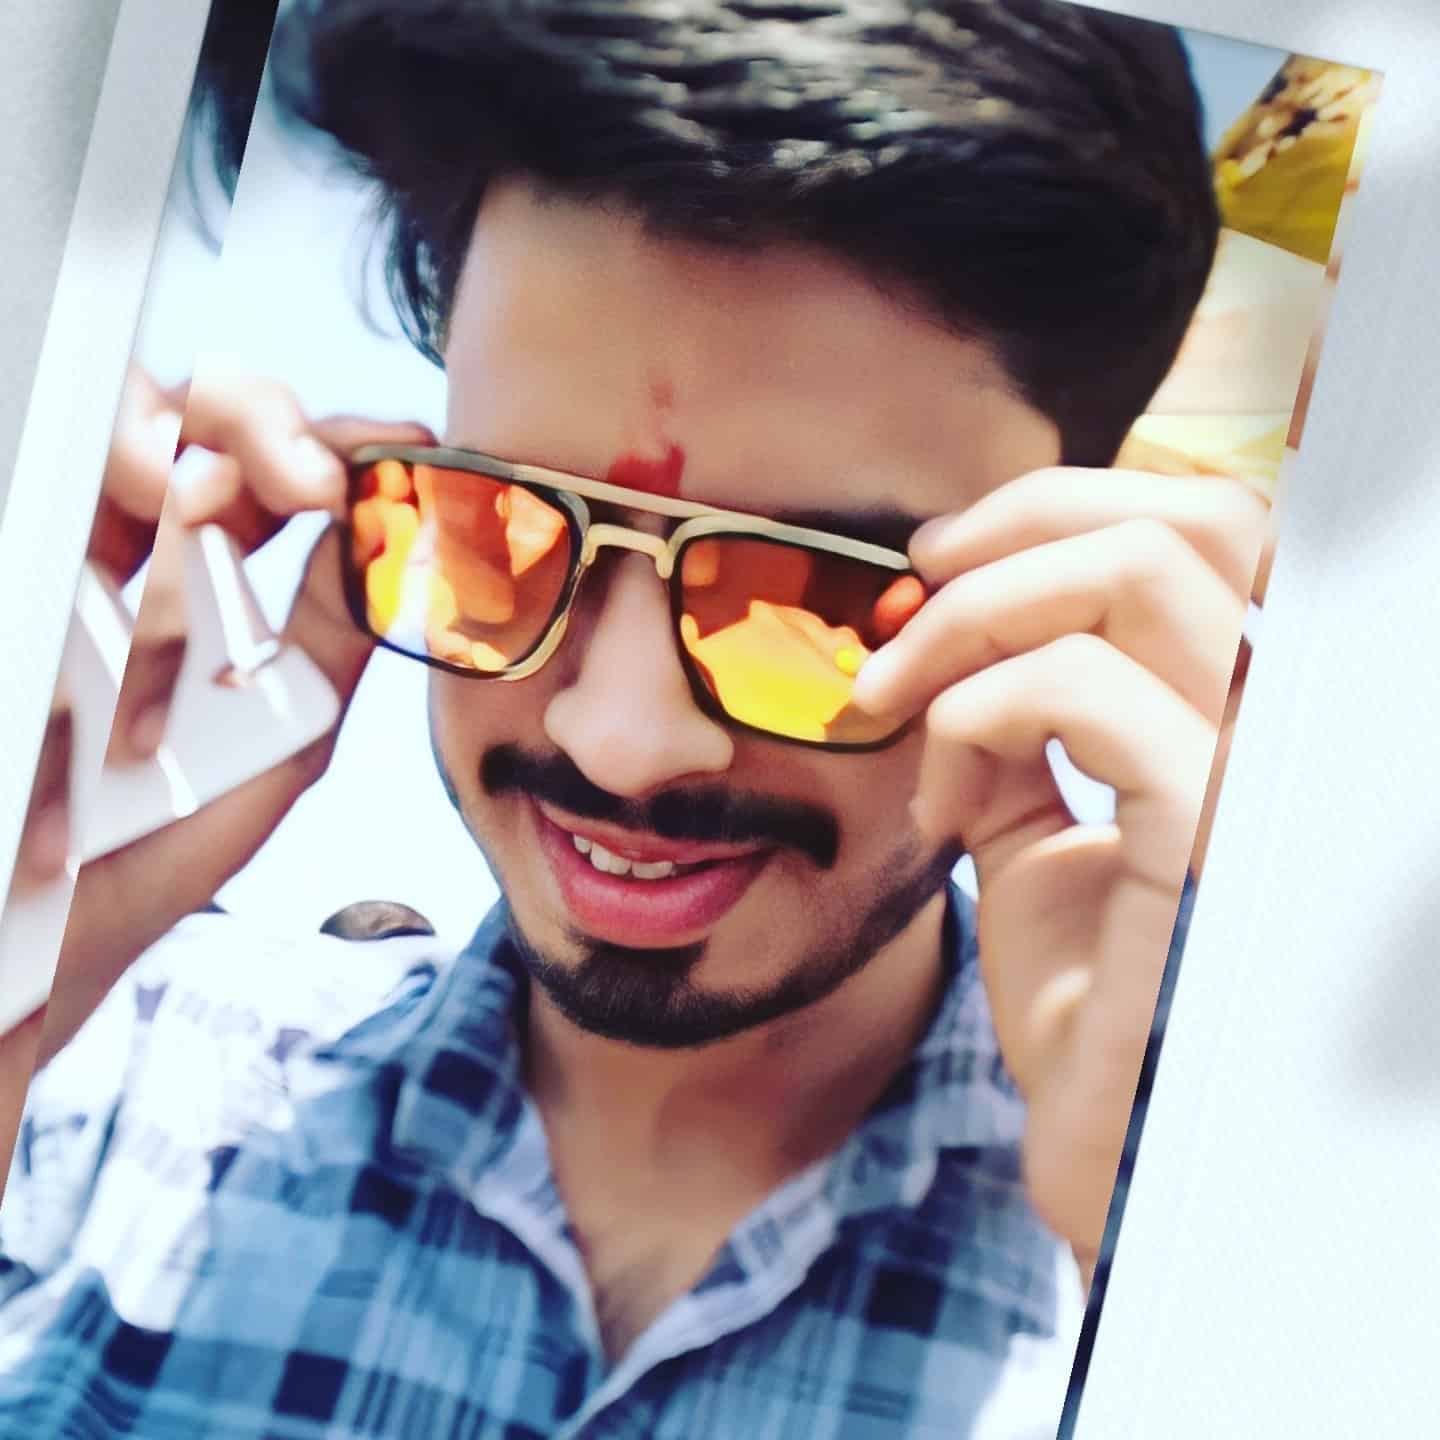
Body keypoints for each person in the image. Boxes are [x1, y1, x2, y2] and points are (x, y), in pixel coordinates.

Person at [0, 2, 1268, 1435]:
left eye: (821, 594)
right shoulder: (105, 1088)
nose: (624, 741)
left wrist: (1205, 1253)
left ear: (1066, 594)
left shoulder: (1183, 1255)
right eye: (505, 532)